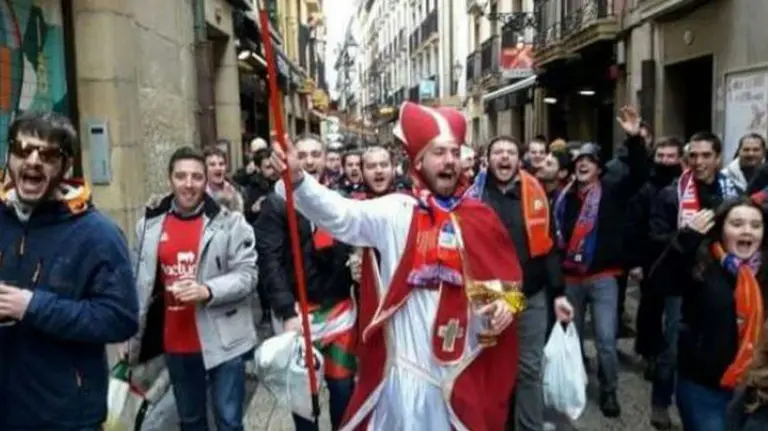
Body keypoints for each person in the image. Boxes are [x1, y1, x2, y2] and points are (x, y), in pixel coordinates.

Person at [270, 101, 525, 430]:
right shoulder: (396, 211)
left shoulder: (480, 216)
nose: (449, 160)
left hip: (464, 371)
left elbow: (508, 283)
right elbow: (342, 214)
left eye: (453, 151)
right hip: (408, 377)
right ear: (418, 161)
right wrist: (298, 180)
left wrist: (506, 305)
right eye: (438, 152)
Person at [0, 111, 139, 429]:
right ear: (9, 157)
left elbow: (120, 318)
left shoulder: (98, 234)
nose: (33, 160)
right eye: (22, 149)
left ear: (66, 166)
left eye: (48, 154)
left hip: (64, 417)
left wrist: (31, 306)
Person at [126, 146, 258, 431]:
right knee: (190, 422)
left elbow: (248, 276)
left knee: (229, 422)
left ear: (205, 180)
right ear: (170, 180)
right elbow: (138, 282)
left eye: (196, 177)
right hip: (177, 341)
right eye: (181, 176)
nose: (189, 184)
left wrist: (207, 291)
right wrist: (131, 333)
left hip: (224, 342)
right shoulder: (148, 226)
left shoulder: (230, 222)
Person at [467, 135, 574, 431]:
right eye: (498, 152)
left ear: (519, 159)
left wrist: (559, 294)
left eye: (510, 152)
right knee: (489, 366)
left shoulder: (535, 192)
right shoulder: (472, 196)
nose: (504, 157)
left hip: (530, 294)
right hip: (488, 295)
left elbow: (549, 246)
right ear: (487, 160)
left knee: (529, 369)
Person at [255, 134, 356, 430]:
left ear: (325, 159)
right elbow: (270, 262)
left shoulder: (338, 199)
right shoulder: (276, 203)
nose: (309, 161)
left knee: (343, 390)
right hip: (299, 316)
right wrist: (287, 312)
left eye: (315, 154)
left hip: (339, 313)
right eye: (301, 155)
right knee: (304, 397)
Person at [554, 106, 649, 417]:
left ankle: (609, 391)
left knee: (606, 340)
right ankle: (577, 380)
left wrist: (634, 139)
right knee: (572, 337)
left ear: (598, 168)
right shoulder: (563, 198)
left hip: (603, 277)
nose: (582, 165)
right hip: (571, 279)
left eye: (589, 161)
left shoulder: (613, 191)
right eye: (578, 161)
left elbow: (640, 173)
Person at [653, 198, 767, 430]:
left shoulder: (765, 270)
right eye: (737, 224)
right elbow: (660, 283)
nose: (747, 231)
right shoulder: (702, 261)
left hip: (756, 389)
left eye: (756, 225)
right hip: (705, 387)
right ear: (721, 228)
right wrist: (685, 240)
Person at [204, 145, 245, 212]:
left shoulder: (235, 191)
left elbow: (240, 217)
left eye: (221, 164)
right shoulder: (199, 194)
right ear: (205, 168)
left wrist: (231, 202)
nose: (218, 168)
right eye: (212, 164)